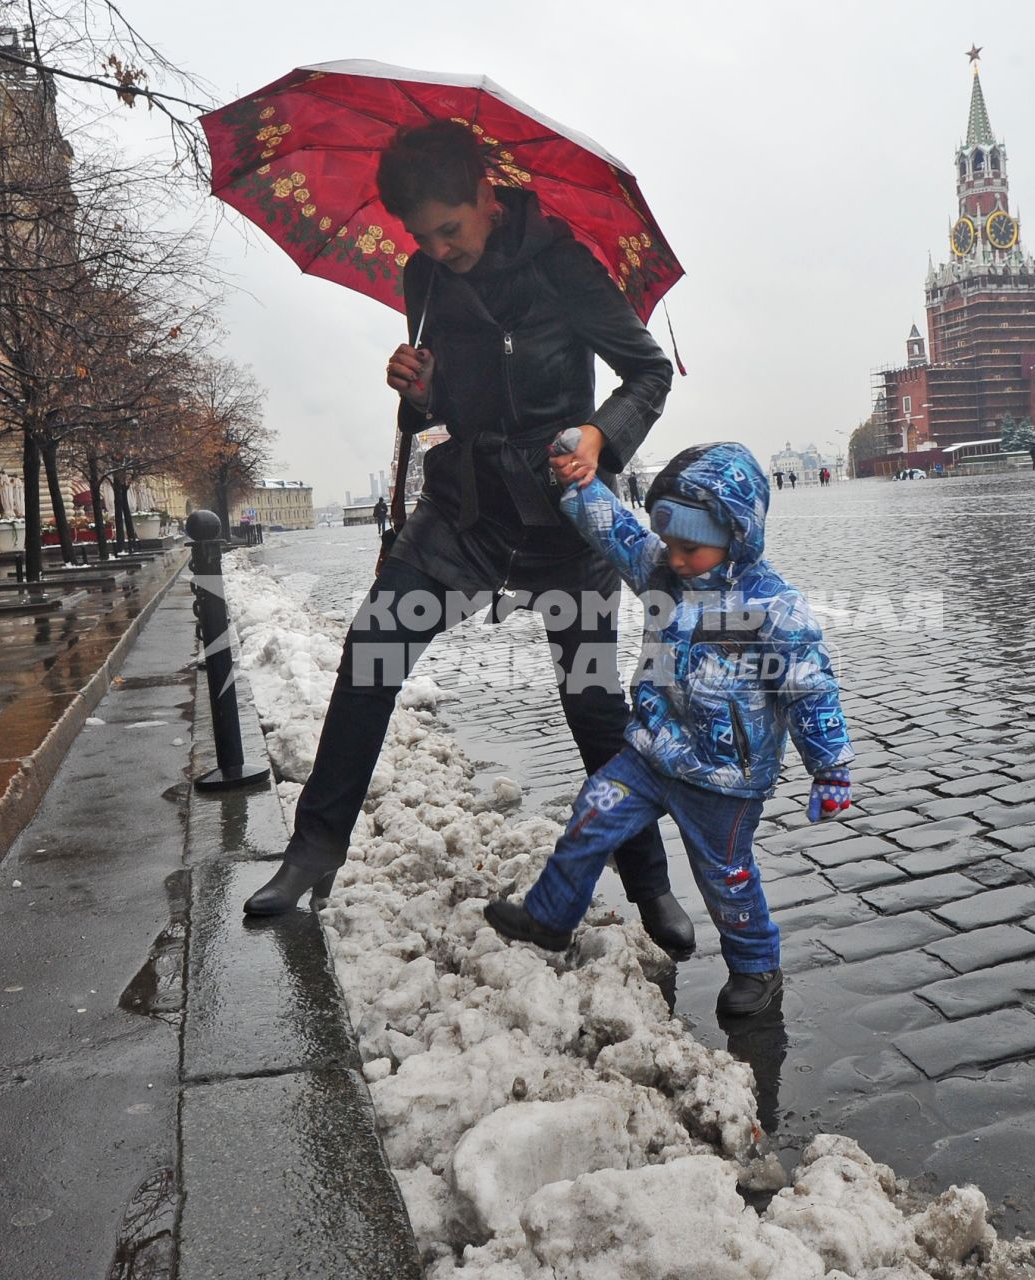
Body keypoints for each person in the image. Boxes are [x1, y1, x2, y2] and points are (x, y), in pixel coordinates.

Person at [243, 121, 696, 957]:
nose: (438, 248)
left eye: (450, 228)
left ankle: (651, 884)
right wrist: (414, 388)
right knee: (373, 649)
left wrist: (601, 436)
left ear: (489, 196)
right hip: (466, 511)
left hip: (566, 514)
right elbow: (438, 411)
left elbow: (647, 373)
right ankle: (315, 847)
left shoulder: (564, 265)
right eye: (422, 235)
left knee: (594, 707)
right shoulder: (425, 280)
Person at [484, 443, 854, 1018]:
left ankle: (757, 966)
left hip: (725, 776)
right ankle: (550, 916)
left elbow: (810, 687)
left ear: (737, 535)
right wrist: (581, 485)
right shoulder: (662, 574)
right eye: (671, 545)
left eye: (691, 547)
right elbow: (619, 534)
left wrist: (829, 766)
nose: (676, 559)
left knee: (725, 876)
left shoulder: (772, 605)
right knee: (590, 816)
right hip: (652, 752)